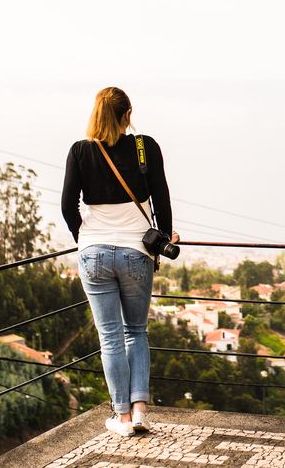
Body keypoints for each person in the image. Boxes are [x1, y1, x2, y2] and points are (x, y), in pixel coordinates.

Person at [61, 87, 177, 436]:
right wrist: (164, 237)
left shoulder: (81, 151)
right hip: (136, 252)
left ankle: (122, 418)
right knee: (136, 331)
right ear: (128, 114)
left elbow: (69, 206)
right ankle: (140, 411)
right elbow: (162, 198)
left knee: (110, 337)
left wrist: (85, 238)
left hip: (94, 253)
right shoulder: (146, 147)